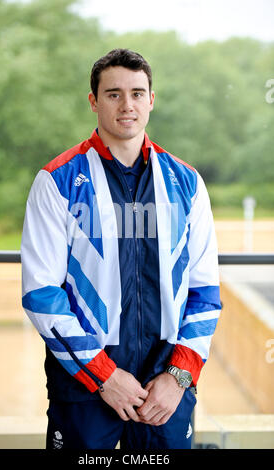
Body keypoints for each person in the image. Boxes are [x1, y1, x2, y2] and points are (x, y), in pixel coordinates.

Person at [21, 48, 222, 450]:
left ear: (152, 99)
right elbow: (41, 294)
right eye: (113, 94)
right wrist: (104, 376)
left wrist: (178, 376)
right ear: (94, 101)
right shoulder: (57, 180)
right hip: (84, 387)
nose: (126, 104)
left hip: (164, 389)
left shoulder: (186, 182)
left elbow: (204, 292)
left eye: (136, 93)